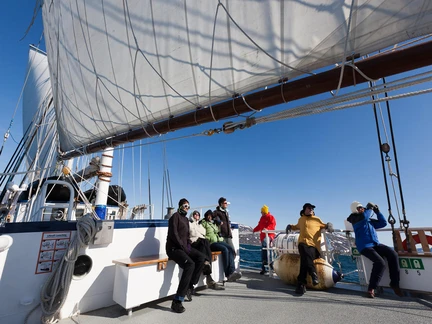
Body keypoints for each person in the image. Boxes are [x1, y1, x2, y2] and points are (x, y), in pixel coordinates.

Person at [347, 201, 403, 298]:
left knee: (393, 254)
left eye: (363, 207)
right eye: (360, 207)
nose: (362, 208)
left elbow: (383, 223)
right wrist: (369, 208)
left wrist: (378, 212)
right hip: (365, 246)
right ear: (355, 209)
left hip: (375, 244)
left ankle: (394, 284)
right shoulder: (355, 219)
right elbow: (364, 217)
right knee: (380, 263)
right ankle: (371, 288)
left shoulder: (367, 219)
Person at [166, 198, 206, 313]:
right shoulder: (175, 217)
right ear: (180, 206)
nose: (187, 208)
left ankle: (190, 286)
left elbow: (187, 236)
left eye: (188, 206)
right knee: (190, 265)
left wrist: (188, 246)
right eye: (185, 206)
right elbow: (174, 234)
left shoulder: (185, 219)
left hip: (183, 248)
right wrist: (183, 247)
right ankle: (177, 301)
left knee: (201, 257)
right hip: (174, 249)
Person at [286, 203, 332, 295]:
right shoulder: (301, 219)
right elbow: (296, 226)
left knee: (305, 259)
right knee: (304, 249)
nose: (311, 209)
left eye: (312, 208)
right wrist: (290, 226)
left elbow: (325, 225)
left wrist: (329, 225)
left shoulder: (317, 219)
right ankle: (313, 274)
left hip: (313, 246)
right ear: (304, 210)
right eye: (309, 208)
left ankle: (301, 284)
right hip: (302, 244)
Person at [201, 209, 242, 282]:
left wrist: (220, 235)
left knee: (231, 249)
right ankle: (228, 274)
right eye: (208, 216)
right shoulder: (204, 223)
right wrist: (209, 238)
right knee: (225, 250)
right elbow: (202, 234)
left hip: (218, 241)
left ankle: (232, 271)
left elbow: (217, 231)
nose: (209, 217)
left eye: (210, 216)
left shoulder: (213, 224)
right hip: (211, 243)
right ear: (206, 216)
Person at [189, 210, 223, 290]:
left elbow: (204, 232)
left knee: (205, 244)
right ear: (192, 215)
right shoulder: (189, 223)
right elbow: (194, 234)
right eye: (195, 214)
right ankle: (208, 275)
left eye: (198, 215)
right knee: (204, 242)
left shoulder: (199, 225)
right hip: (193, 243)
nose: (197, 216)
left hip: (200, 244)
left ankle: (207, 265)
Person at [253, 205, 276, 274]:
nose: (261, 213)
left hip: (269, 235)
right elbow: (259, 226)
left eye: (262, 212)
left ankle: (270, 262)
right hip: (262, 236)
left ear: (264, 212)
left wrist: (267, 229)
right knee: (263, 249)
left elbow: (272, 225)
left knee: (266, 247)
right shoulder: (261, 218)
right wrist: (254, 229)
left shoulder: (271, 217)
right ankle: (264, 267)